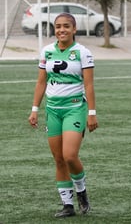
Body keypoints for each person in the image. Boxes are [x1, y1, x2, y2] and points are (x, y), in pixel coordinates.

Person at [28, 13, 98, 217]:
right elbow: (41, 82)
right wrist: (35, 109)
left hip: (75, 107)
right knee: (58, 158)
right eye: (58, 26)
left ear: (74, 29)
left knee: (69, 155)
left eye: (66, 26)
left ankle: (81, 191)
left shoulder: (83, 52)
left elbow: (89, 84)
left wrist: (92, 113)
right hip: (53, 110)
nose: (61, 30)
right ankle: (67, 205)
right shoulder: (47, 51)